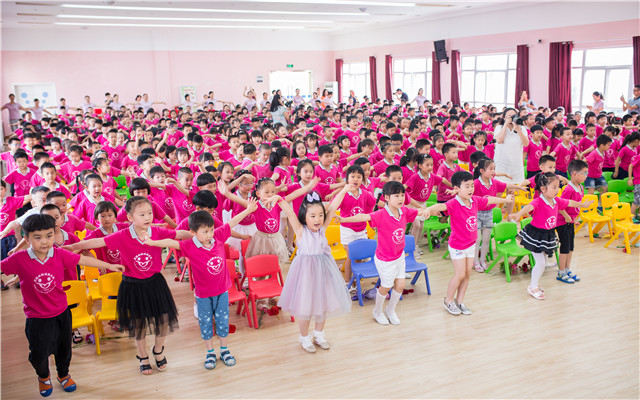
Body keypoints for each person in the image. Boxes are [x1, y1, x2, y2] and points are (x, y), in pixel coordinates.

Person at [63, 197, 192, 375]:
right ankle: (143, 355)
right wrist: (73, 247)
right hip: (133, 285)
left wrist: (199, 236)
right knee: (138, 323)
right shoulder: (123, 235)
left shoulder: (156, 232)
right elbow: (97, 242)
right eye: (142, 214)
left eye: (149, 213)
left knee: (163, 320)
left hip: (155, 283)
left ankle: (158, 350)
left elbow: (179, 234)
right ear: (130, 217)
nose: (147, 217)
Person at [1, 214, 123, 397]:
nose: (45, 241)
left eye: (49, 236)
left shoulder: (59, 254)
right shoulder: (19, 258)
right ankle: (43, 377)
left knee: (64, 349)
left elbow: (83, 260)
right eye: (37, 237)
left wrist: (109, 265)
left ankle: (63, 374)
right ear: (26, 239)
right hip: (37, 318)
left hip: (62, 313)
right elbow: (2, 267)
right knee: (38, 354)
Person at [145, 204, 254, 369]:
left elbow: (231, 223)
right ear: (193, 233)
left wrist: (248, 210)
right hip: (203, 295)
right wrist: (152, 242)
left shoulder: (218, 236)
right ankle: (210, 353)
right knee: (206, 323)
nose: (210, 234)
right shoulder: (189, 245)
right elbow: (170, 242)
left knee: (223, 322)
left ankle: (224, 350)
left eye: (211, 230)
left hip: (222, 291)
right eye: (205, 231)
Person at [424, 171, 513, 315]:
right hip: (457, 245)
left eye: (472, 185)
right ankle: (448, 300)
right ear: (457, 188)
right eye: (467, 186)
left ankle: (460, 301)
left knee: (467, 274)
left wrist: (505, 199)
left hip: (470, 245)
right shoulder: (454, 203)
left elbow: (489, 200)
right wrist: (428, 209)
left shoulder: (474, 200)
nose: (471, 189)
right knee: (459, 275)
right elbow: (441, 207)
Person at [339, 181, 427, 326]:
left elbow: (419, 212)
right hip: (385, 259)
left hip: (399, 256)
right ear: (386, 197)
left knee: (400, 285)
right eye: (396, 196)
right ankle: (377, 311)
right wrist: (344, 219)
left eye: (402, 195)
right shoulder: (381, 214)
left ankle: (390, 310)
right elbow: (364, 217)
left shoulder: (404, 211)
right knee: (386, 287)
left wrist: (429, 211)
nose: (400, 198)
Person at [277, 186, 353, 353]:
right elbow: (289, 211)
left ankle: (319, 334)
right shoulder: (300, 230)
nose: (317, 219)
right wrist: (278, 199)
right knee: (305, 308)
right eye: (312, 216)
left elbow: (333, 206)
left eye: (320, 215)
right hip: (305, 274)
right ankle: (304, 337)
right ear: (304, 216)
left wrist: (345, 189)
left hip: (323, 271)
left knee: (323, 305)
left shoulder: (322, 229)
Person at [509, 173, 592, 300]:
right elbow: (529, 207)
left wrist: (583, 205)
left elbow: (569, 202)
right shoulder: (538, 201)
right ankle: (533, 286)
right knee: (541, 263)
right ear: (543, 189)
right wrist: (518, 214)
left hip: (547, 235)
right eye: (554, 187)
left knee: (543, 263)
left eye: (558, 187)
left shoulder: (556, 200)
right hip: (536, 236)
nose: (557, 190)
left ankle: (534, 284)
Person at [472, 159, 526, 272]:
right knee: (477, 240)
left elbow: (507, 185)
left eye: (494, 168)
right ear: (482, 171)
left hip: (489, 214)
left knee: (486, 240)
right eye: (490, 169)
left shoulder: (494, 182)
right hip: (476, 214)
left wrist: (520, 188)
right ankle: (475, 262)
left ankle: (482, 261)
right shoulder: (475, 183)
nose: (493, 171)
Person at [555, 160, 589, 284]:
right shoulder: (568, 189)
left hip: (570, 221)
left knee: (570, 247)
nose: (586, 175)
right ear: (574, 174)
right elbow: (560, 205)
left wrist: (573, 219)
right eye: (584, 173)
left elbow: (575, 206)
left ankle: (567, 269)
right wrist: (566, 217)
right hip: (562, 222)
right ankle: (561, 272)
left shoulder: (581, 187)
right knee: (564, 247)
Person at [494, 108, 530, 186]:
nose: (512, 118)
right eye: (509, 116)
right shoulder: (499, 127)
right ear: (504, 118)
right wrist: (505, 125)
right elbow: (499, 140)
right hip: (501, 165)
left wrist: (518, 130)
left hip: (516, 165)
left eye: (513, 116)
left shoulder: (522, 128)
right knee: (501, 187)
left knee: (516, 189)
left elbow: (526, 144)